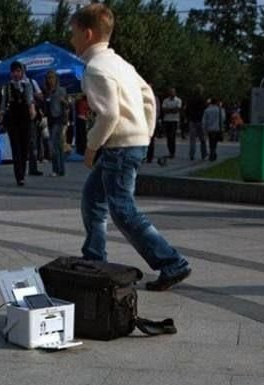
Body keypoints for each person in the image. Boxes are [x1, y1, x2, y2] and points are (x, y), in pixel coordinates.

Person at [70, 3, 191, 292]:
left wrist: (91, 147)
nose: (71, 40)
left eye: (73, 33)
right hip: (130, 142)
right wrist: (144, 132)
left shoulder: (95, 69)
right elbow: (148, 96)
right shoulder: (121, 64)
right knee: (93, 197)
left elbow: (109, 114)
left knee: (123, 210)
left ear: (87, 34)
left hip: (119, 147)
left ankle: (171, 262)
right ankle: (94, 257)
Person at [0, 61, 35, 186]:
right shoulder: (7, 86)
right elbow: (3, 103)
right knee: (16, 147)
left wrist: (32, 110)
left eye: (18, 71)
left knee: (24, 147)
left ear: (22, 72)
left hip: (25, 118)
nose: (16, 74)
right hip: (12, 119)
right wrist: (1, 118)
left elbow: (30, 99)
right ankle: (19, 176)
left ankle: (22, 173)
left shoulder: (27, 84)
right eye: (14, 71)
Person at [44, 70, 68, 177]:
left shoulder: (62, 90)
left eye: (52, 77)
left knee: (54, 143)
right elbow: (45, 105)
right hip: (50, 119)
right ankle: (60, 170)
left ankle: (56, 169)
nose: (50, 80)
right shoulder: (46, 91)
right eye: (48, 78)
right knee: (58, 145)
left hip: (59, 119)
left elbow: (68, 105)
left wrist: (64, 102)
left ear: (56, 79)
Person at [186, 84, 207, 161]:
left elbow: (187, 109)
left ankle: (192, 154)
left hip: (192, 120)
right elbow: (205, 109)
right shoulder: (202, 99)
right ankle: (204, 154)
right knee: (202, 139)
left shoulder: (191, 99)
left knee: (192, 139)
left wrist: (188, 117)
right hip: (200, 120)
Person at [161, 87, 182, 158]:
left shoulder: (178, 100)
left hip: (174, 120)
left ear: (175, 93)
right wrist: (172, 110)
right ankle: (170, 151)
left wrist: (169, 110)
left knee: (172, 136)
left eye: (173, 92)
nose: (172, 93)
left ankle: (172, 152)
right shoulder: (165, 100)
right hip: (167, 120)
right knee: (168, 137)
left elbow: (177, 109)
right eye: (170, 92)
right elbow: (164, 109)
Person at [202, 97, 222, 161]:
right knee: (215, 142)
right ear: (216, 102)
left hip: (209, 128)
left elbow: (204, 120)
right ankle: (213, 153)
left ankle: (212, 153)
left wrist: (204, 129)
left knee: (211, 142)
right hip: (216, 128)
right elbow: (221, 119)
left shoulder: (207, 110)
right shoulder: (218, 110)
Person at [146, 87, 160, 163]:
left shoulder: (155, 98)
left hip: (152, 121)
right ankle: (145, 155)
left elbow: (157, 110)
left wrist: (155, 119)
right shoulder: (143, 96)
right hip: (144, 121)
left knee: (151, 139)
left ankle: (150, 156)